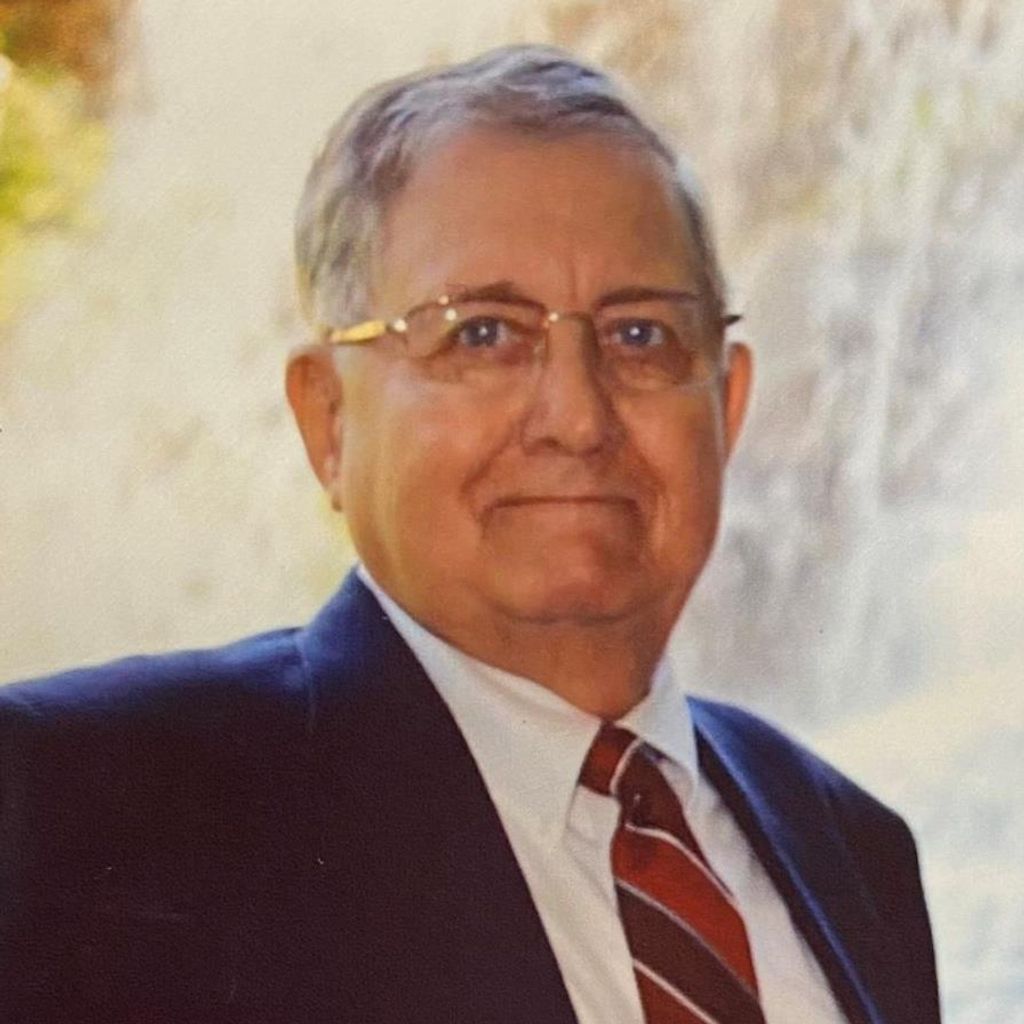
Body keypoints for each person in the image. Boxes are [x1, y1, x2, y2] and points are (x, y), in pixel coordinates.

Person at [0, 45, 939, 1024]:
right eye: (483, 333)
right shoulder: (83, 810)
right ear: (329, 420)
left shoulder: (851, 848)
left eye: (639, 335)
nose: (576, 416)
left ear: (728, 405)